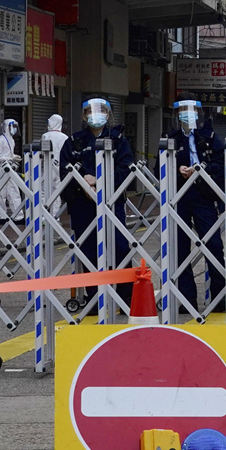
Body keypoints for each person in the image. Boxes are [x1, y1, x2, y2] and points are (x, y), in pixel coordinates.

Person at [58, 98, 137, 306]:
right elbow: (65, 172)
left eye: (101, 111)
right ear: (83, 116)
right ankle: (94, 298)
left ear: (108, 115)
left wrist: (100, 181)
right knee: (88, 250)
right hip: (82, 205)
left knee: (121, 247)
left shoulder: (119, 140)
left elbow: (126, 170)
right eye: (90, 112)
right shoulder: (74, 142)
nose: (95, 115)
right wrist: (84, 186)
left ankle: (125, 296)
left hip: (113, 202)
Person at [170, 99, 226, 312]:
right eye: (183, 112)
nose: (188, 116)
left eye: (191, 112)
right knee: (179, 248)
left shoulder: (210, 138)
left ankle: (220, 297)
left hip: (203, 195)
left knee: (213, 245)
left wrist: (201, 169)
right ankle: (186, 300)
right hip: (179, 197)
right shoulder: (171, 139)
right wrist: (179, 170)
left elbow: (222, 166)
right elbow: (160, 168)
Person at [0, 117, 23, 223]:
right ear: (7, 127)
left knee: (14, 191)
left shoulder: (11, 140)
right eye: (12, 126)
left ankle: (18, 216)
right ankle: (1, 216)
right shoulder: (0, 140)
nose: (14, 129)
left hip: (9, 168)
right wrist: (10, 158)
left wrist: (14, 157)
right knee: (1, 193)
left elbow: (7, 154)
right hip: (1, 169)